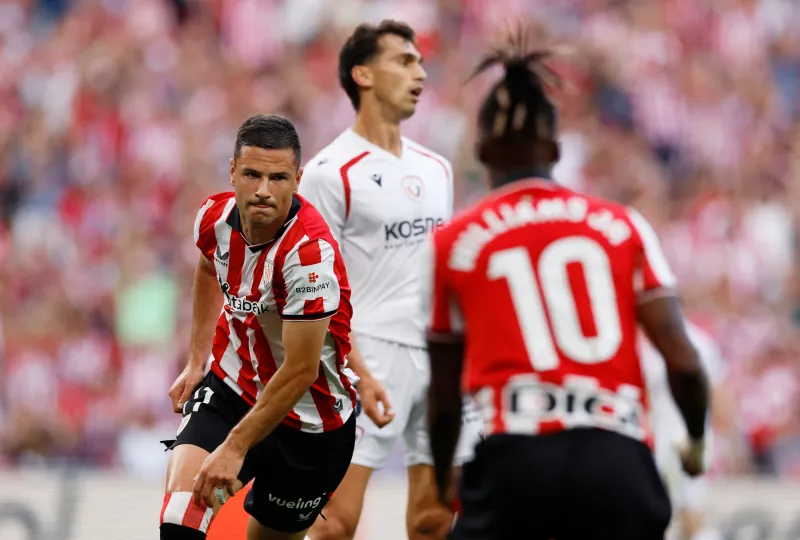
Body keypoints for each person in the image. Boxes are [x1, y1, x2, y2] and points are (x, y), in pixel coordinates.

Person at [424, 34, 711, 540]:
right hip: (618, 462)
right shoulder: (624, 226)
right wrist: (694, 443)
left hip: (515, 461)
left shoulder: (455, 242)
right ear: (557, 149)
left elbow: (444, 397)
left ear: (483, 149)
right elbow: (685, 364)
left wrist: (443, 474)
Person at [298, 20, 483, 540]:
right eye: (404, 61)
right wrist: (354, 365)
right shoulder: (329, 172)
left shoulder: (437, 170)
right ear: (362, 74)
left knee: (434, 518)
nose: (420, 72)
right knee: (334, 521)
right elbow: (316, 287)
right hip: (370, 354)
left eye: (420, 61)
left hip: (439, 355)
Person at [160, 113, 357, 540]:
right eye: (252, 174)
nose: (264, 190)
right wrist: (197, 361)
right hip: (232, 387)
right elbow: (208, 267)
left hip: (307, 419)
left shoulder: (309, 258)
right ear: (232, 171)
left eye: (279, 178)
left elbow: (301, 371)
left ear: (297, 180)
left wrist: (236, 445)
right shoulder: (213, 217)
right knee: (180, 523)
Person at [642, 322, 729, 540]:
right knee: (687, 511)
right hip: (689, 439)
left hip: (672, 440)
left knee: (687, 514)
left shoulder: (653, 344)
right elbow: (719, 398)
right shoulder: (701, 342)